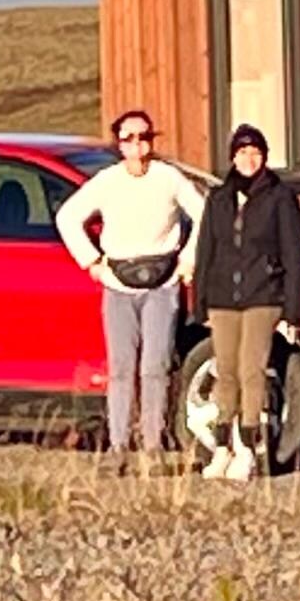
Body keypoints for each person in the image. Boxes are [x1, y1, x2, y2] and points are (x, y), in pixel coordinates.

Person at [53, 110, 204, 467]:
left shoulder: (169, 178)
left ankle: (153, 444)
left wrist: (188, 260)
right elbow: (67, 217)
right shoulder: (107, 181)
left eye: (144, 137)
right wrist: (91, 261)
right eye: (129, 139)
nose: (137, 145)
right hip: (118, 284)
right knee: (121, 368)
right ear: (119, 145)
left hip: (162, 283)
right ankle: (118, 445)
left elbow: (204, 213)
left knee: (156, 366)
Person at [189, 122, 300, 481]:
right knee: (225, 372)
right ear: (232, 157)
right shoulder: (219, 198)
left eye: (255, 152)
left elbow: (293, 255)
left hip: (263, 295)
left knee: (250, 370)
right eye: (242, 152)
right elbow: (206, 250)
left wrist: (292, 310)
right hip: (223, 297)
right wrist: (200, 301)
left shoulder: (279, 197)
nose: (249, 159)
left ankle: (247, 447)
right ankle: (222, 447)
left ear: (265, 157)